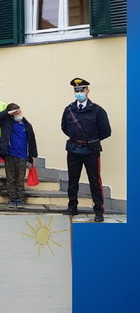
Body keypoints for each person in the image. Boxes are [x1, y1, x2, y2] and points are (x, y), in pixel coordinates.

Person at [61, 77, 112, 222]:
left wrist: (91, 140)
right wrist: (77, 139)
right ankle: (72, 207)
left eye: (82, 90)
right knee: (73, 180)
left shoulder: (97, 110)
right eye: (76, 90)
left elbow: (106, 131)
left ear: (87, 91)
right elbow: (64, 127)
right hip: (73, 149)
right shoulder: (69, 109)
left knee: (94, 181)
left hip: (91, 150)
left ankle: (98, 211)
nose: (79, 92)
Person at [0, 103, 38, 209]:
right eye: (16, 113)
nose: (19, 114)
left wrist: (33, 155)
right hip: (9, 155)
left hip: (22, 156)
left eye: (19, 112)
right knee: (11, 178)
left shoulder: (26, 125)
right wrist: (7, 113)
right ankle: (12, 199)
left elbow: (32, 140)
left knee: (20, 178)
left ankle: (20, 199)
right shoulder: (6, 123)